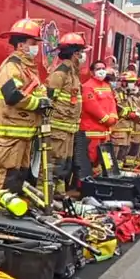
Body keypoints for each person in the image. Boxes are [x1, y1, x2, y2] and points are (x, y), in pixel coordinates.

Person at [0, 18, 50, 194]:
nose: (36, 48)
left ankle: (11, 210)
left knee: (18, 177)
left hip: (23, 134)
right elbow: (13, 96)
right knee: (5, 179)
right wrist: (38, 103)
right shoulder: (11, 67)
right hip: (10, 136)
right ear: (21, 45)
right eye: (33, 43)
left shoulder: (28, 68)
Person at [44, 33, 88, 197]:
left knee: (64, 164)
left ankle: (58, 195)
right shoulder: (60, 74)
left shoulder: (73, 74)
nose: (83, 56)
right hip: (57, 130)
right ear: (75, 53)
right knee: (54, 164)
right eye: (81, 52)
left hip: (68, 130)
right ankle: (47, 197)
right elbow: (48, 100)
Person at [78, 60, 119, 176]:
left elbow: (112, 104)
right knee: (90, 159)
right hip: (91, 130)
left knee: (102, 159)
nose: (101, 71)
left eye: (103, 68)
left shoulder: (107, 86)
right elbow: (91, 106)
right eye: (98, 69)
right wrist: (106, 119)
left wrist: (113, 118)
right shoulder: (87, 86)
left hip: (104, 131)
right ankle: (85, 183)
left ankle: (97, 181)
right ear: (92, 72)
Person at [110, 72, 136, 165]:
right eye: (131, 81)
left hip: (128, 127)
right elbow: (116, 107)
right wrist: (128, 114)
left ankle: (120, 169)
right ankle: (113, 169)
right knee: (116, 149)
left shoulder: (128, 94)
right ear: (123, 82)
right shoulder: (116, 93)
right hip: (119, 126)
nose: (133, 84)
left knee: (124, 149)